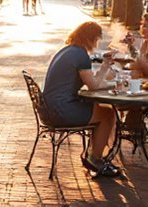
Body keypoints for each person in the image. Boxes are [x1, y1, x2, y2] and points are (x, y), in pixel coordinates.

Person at [42, 20, 120, 177]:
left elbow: (93, 83)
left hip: (48, 109)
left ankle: (92, 153)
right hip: (62, 111)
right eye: (97, 39)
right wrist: (112, 84)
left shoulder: (67, 50)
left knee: (99, 109)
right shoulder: (81, 56)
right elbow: (93, 86)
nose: (97, 43)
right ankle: (95, 159)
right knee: (108, 115)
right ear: (91, 38)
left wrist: (104, 67)